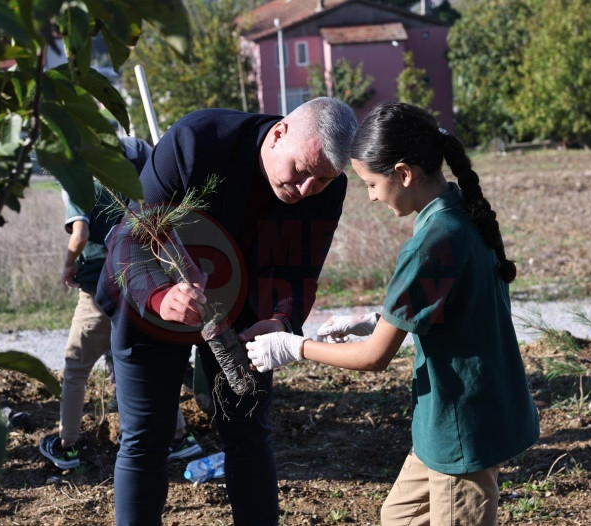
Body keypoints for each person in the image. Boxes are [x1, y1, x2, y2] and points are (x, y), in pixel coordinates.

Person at [246, 102, 540, 525]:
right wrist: (376, 318)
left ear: (404, 173)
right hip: (456, 416)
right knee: (400, 517)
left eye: (370, 183)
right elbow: (446, 301)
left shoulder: (434, 241)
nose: (370, 196)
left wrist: (294, 347)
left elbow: (375, 358)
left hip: (463, 426)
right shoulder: (457, 211)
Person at [95, 97, 358, 525]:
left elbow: (300, 270)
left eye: (323, 180)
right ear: (278, 134)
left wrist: (281, 320)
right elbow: (129, 239)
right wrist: (163, 297)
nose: (307, 189)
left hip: (245, 312)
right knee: (146, 438)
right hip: (155, 298)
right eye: (302, 171)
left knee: (249, 435)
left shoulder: (328, 189)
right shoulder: (198, 141)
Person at [39, 136, 202, 470]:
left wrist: (68, 265)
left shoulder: (79, 179)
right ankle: (180, 437)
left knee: (76, 368)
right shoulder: (136, 174)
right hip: (141, 285)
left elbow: (80, 234)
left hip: (100, 287)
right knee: (148, 363)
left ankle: (67, 445)